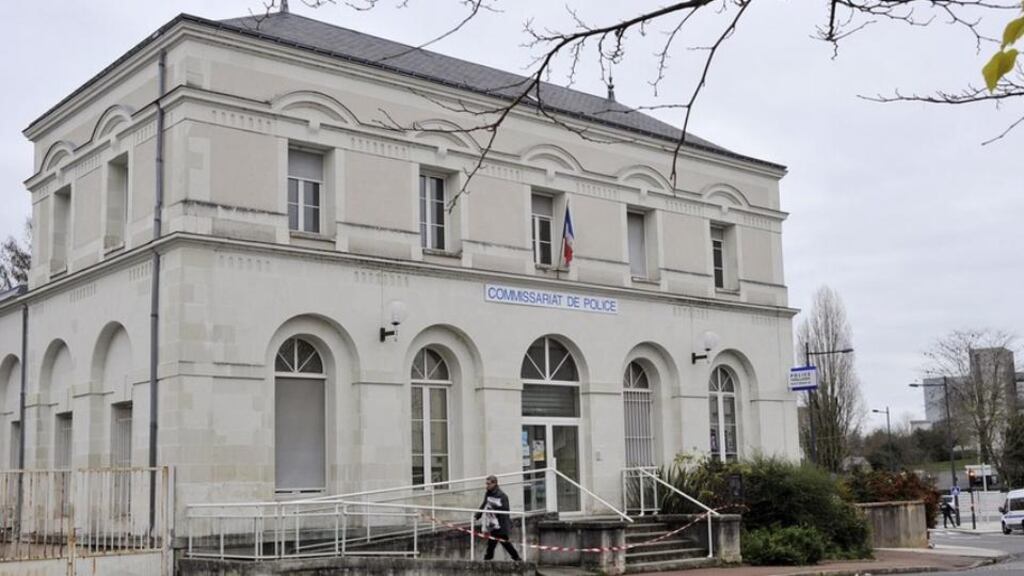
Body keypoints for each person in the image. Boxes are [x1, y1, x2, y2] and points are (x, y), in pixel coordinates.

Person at [474, 475, 522, 562]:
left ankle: (515, 558)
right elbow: (484, 504)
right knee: (494, 544)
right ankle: (515, 558)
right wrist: (477, 516)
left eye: (488, 484)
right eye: (486, 484)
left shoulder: (502, 496)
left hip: (501, 524)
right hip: (492, 524)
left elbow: (506, 511)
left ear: (495, 483)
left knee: (503, 543)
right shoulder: (488, 493)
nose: (487, 486)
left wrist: (499, 522)